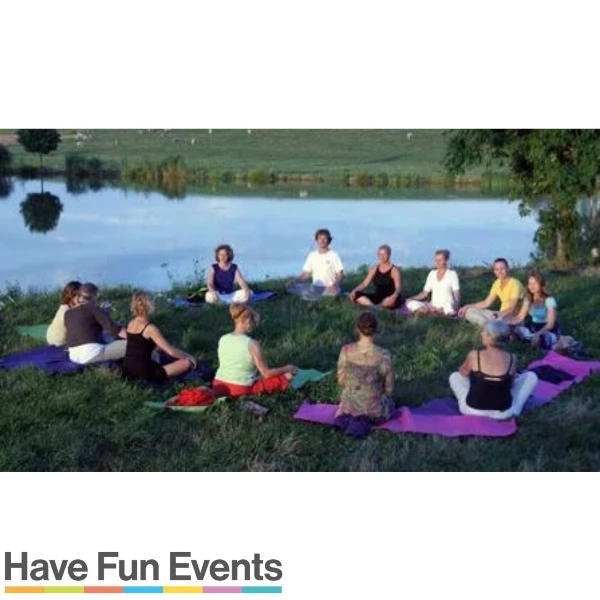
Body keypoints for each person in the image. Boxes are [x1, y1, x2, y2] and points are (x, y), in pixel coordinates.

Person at [449, 320, 539, 419]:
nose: (481, 334)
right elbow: (511, 384)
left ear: (490, 337)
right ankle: (514, 408)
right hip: (504, 413)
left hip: (472, 411)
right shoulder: (511, 358)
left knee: (454, 376)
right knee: (531, 376)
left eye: (484, 332)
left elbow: (462, 373)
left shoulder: (474, 355)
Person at [212, 303, 298, 398]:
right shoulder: (252, 344)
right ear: (248, 320)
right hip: (240, 388)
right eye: (253, 320)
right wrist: (286, 368)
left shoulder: (223, 339)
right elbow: (266, 374)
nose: (254, 324)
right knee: (288, 376)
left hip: (218, 386)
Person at [334, 312, 395, 438]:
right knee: (391, 404)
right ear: (376, 329)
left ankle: (350, 419)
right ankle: (362, 421)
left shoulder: (346, 351)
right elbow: (389, 390)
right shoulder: (384, 355)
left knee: (347, 404)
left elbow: (341, 381)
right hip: (375, 412)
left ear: (357, 329)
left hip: (349, 407)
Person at [122, 291, 196, 382]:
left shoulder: (131, 323)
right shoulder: (150, 328)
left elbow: (140, 345)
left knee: (158, 355)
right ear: (149, 306)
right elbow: (171, 351)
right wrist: (188, 356)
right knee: (187, 363)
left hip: (128, 369)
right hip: (144, 373)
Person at [65, 282, 128, 365]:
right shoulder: (94, 308)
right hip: (92, 354)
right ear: (95, 296)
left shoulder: (68, 313)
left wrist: (103, 312)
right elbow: (115, 330)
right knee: (134, 345)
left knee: (109, 339)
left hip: (74, 356)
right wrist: (136, 337)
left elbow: (86, 326)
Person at [458, 258, 524, 325]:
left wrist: (498, 315)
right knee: (469, 311)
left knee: (500, 320)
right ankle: (488, 324)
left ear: (507, 268)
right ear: (494, 271)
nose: (500, 272)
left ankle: (491, 326)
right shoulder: (497, 283)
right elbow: (486, 303)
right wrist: (467, 306)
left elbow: (512, 309)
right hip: (499, 315)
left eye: (502, 269)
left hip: (513, 317)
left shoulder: (515, 284)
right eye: (497, 269)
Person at [506, 273, 560, 349]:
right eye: (530, 284)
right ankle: (529, 340)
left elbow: (550, 324)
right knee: (514, 331)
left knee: (541, 339)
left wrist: (538, 334)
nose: (532, 286)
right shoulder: (528, 299)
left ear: (541, 284)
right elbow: (520, 317)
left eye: (535, 283)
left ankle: (533, 342)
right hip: (533, 326)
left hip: (547, 329)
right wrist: (507, 323)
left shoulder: (549, 300)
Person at [287, 228, 344, 299]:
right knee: (292, 287)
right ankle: (314, 297)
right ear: (316, 240)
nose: (322, 241)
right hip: (315, 287)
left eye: (325, 238)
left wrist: (335, 285)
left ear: (329, 240)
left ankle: (316, 298)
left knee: (333, 293)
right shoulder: (312, 255)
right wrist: (294, 281)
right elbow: (306, 274)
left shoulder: (334, 255)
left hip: (330, 287)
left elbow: (340, 275)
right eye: (320, 238)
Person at [406, 249, 460, 315]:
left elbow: (456, 293)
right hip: (433, 305)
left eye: (440, 260)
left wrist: (456, 304)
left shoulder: (452, 274)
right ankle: (430, 311)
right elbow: (425, 293)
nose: (437, 262)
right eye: (436, 260)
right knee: (411, 303)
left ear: (446, 260)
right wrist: (412, 298)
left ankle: (439, 311)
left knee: (448, 306)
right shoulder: (432, 274)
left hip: (446, 305)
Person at [348, 245, 403, 309]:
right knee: (356, 294)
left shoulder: (394, 270)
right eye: (380, 254)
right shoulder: (374, 269)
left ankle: (379, 307)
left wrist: (394, 296)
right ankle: (373, 307)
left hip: (391, 297)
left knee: (388, 302)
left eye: (384, 254)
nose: (382, 256)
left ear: (389, 255)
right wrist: (354, 290)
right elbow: (364, 284)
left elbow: (398, 288)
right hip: (377, 297)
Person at [46, 280, 81, 346]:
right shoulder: (70, 310)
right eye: (80, 295)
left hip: (50, 339)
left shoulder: (63, 307)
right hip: (61, 342)